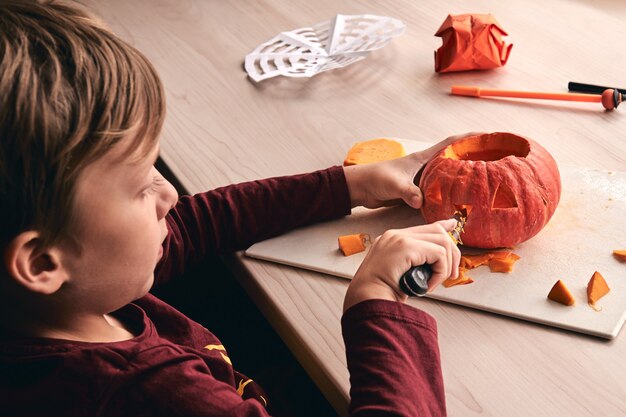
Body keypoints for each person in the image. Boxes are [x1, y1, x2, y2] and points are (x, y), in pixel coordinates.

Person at [0, 1, 463, 416]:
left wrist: (347, 185)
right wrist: (378, 297)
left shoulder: (67, 293)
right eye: (141, 186)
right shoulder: (155, 394)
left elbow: (200, 222)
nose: (169, 195)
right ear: (41, 261)